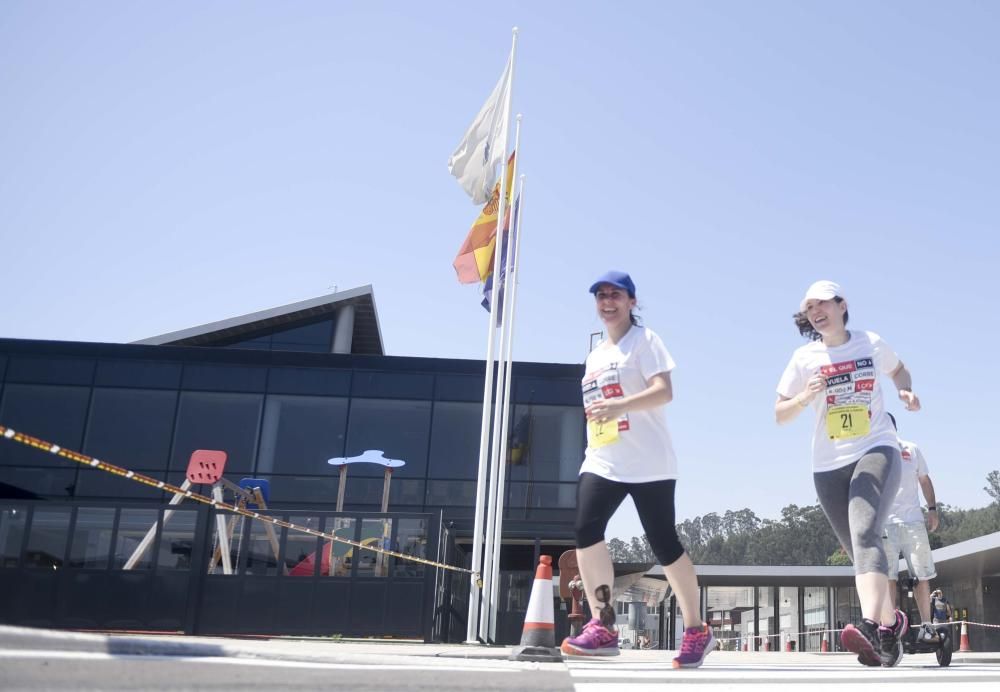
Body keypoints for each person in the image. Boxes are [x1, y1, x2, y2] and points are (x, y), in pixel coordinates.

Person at [560, 270, 716, 669]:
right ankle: (603, 624)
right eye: (600, 296)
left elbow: (665, 391)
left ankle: (697, 629)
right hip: (604, 458)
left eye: (615, 295)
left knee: (663, 542)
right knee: (585, 532)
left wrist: (621, 405)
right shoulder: (595, 356)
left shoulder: (646, 342)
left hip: (649, 462)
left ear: (632, 301)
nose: (607, 302)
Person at [775, 280, 920, 667]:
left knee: (865, 529)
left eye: (822, 303)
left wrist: (905, 391)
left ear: (842, 305)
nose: (815, 311)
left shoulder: (870, 342)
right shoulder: (803, 358)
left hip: (875, 447)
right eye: (809, 308)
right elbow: (780, 413)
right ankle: (892, 625)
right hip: (827, 464)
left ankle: (870, 625)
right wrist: (806, 396)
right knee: (861, 548)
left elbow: (900, 370)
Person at [881, 412, 941, 643]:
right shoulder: (872, 454)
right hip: (885, 525)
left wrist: (932, 508)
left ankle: (927, 625)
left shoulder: (911, 449)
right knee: (888, 577)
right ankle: (890, 625)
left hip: (913, 521)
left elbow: (924, 480)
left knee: (922, 575)